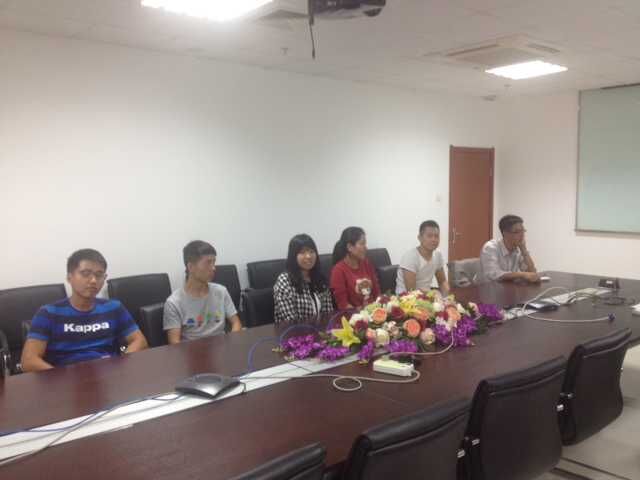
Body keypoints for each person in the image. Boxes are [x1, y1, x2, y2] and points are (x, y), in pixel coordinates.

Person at [21, 249, 148, 372]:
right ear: (69, 277)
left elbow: (140, 341)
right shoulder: (48, 313)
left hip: (109, 376)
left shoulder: (114, 307)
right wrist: (59, 378)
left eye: (99, 275)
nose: (93, 280)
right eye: (86, 274)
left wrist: (120, 364)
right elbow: (29, 361)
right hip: (66, 378)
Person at [164, 240, 241, 344]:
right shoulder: (174, 303)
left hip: (222, 347)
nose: (213, 268)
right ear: (190, 267)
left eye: (214, 262)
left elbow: (236, 323)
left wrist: (231, 343)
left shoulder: (221, 291)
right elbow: (174, 343)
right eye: (208, 263)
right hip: (193, 352)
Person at [273, 234, 334, 324]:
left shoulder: (320, 278)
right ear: (293, 256)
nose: (308, 256)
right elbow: (289, 320)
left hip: (320, 330)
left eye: (311, 251)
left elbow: (328, 314)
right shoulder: (285, 281)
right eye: (302, 252)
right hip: (293, 331)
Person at [330, 226, 381, 310]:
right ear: (350, 247)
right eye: (362, 243)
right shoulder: (338, 270)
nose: (366, 247)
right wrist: (364, 313)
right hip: (355, 316)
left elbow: (377, 292)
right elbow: (343, 305)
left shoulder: (367, 264)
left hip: (374, 312)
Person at [479, 214, 540, 283]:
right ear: (505, 233)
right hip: (488, 287)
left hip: (507, 287)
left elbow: (532, 272)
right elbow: (493, 274)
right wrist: (521, 274)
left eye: (523, 231)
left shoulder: (519, 248)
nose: (522, 235)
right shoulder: (490, 247)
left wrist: (524, 250)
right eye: (517, 232)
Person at [396, 220, 449, 294]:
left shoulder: (438, 255)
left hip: (427, 295)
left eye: (436, 236)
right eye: (429, 236)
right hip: (406, 297)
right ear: (419, 238)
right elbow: (411, 291)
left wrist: (448, 297)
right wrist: (434, 295)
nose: (433, 239)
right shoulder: (410, 257)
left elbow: (442, 282)